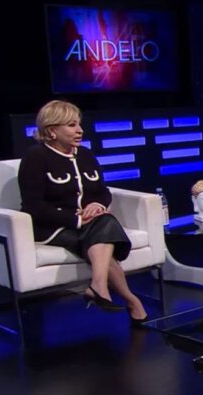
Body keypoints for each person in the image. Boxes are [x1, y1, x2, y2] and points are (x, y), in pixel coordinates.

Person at [18, 100, 148, 326]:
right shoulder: (35, 157)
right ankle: (127, 298)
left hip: (89, 224)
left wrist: (97, 204)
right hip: (52, 227)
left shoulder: (86, 155)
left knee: (101, 227)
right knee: (103, 230)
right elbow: (34, 206)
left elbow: (103, 192)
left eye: (79, 124)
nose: (80, 130)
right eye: (71, 125)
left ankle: (101, 288)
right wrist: (77, 219)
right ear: (52, 131)